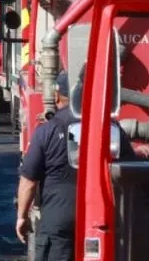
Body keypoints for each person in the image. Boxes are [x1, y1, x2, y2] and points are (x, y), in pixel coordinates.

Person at [17, 72, 138, 261]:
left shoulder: (46, 130)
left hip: (58, 220)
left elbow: (29, 181)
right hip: (99, 214)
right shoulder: (110, 127)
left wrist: (22, 217)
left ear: (57, 96)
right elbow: (131, 171)